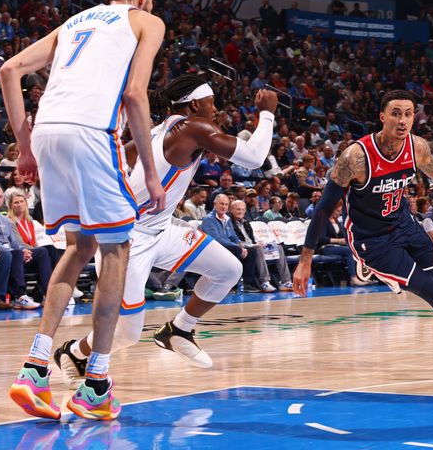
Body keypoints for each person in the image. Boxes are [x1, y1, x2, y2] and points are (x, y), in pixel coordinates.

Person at [2, 0, 167, 422]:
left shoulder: (74, 22)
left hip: (48, 131)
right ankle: (95, 383)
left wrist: (24, 146)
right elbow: (136, 94)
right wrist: (150, 174)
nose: (153, 6)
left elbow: (10, 70)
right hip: (91, 131)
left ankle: (34, 368)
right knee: (117, 249)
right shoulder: (145, 20)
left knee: (78, 248)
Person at [53, 76, 277, 392]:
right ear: (196, 105)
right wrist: (266, 114)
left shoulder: (155, 133)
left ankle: (178, 330)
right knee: (127, 334)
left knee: (229, 269)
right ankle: (74, 353)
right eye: (211, 103)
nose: (215, 110)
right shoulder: (192, 128)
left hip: (161, 230)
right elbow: (254, 158)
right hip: (129, 239)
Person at [293, 90, 433, 375]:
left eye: (408, 114)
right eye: (396, 113)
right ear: (382, 117)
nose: (403, 120)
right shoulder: (356, 157)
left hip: (405, 225)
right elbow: (324, 208)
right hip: (371, 240)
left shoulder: (416, 147)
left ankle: (389, 277)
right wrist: (305, 260)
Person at [0, 185, 45, 309]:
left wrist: (23, 249)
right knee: (9, 254)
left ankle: (34, 293)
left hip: (6, 252)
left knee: (37, 251)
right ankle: (2, 295)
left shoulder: (5, 220)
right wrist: (13, 250)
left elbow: (14, 242)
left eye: (0, 197)